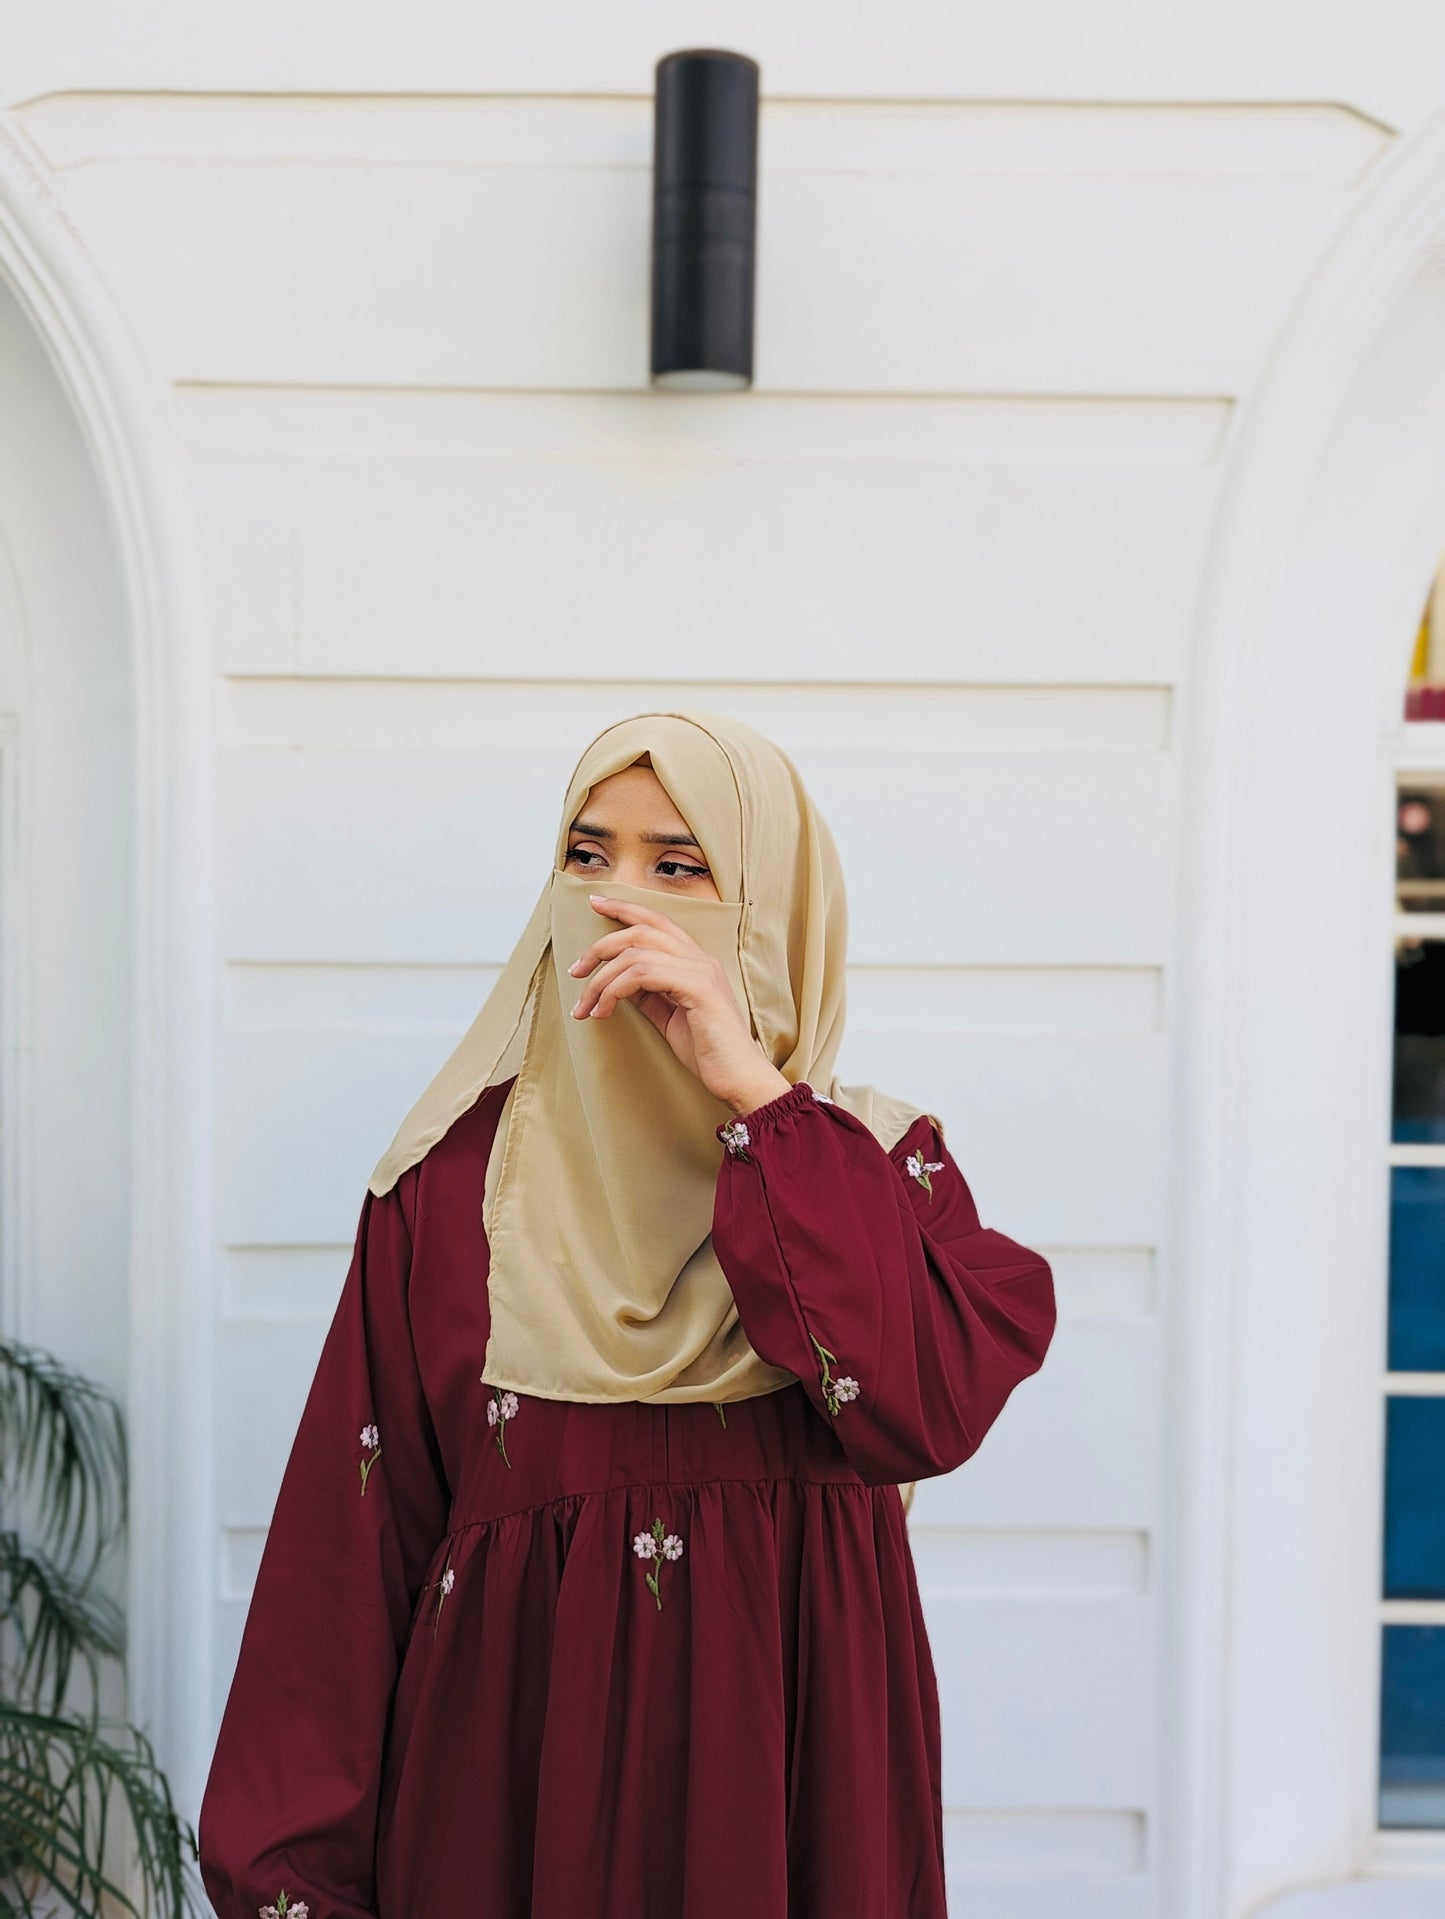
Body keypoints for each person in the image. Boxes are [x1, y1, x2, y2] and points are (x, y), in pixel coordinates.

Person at [197, 709, 1057, 1919]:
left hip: (798, 1810)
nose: (615, 903)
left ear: (768, 912)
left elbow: (926, 1401)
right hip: (503, 1819)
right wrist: (290, 1878)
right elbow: (340, 1570)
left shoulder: (873, 1163)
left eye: (679, 865)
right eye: (584, 854)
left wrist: (755, 1095)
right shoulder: (447, 1190)